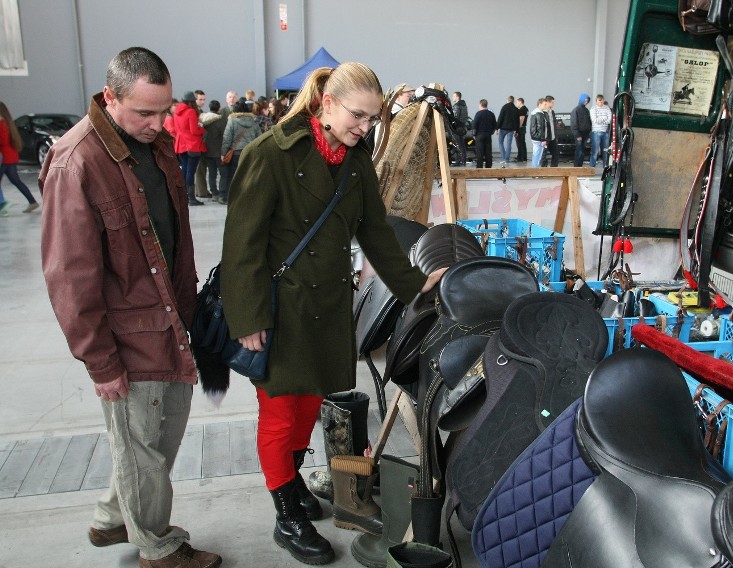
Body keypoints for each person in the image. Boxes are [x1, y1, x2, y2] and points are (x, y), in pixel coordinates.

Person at [219, 61, 447, 566]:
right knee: (280, 413)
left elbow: (376, 233)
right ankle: (286, 512)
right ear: (326, 103)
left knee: (308, 405)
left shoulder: (354, 159)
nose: (365, 128)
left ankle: (291, 482)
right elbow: (241, 247)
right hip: (278, 310)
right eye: (358, 116)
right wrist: (248, 318)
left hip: (325, 308)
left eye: (372, 119)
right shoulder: (269, 155)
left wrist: (416, 286)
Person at [39, 46, 222, 568]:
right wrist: (101, 362)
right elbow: (69, 277)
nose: (157, 122)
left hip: (169, 324)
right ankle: (159, 548)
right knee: (144, 448)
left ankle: (111, 518)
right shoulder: (78, 161)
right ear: (110, 96)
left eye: (164, 109)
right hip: (126, 337)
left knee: (154, 444)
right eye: (144, 112)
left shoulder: (159, 146)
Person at [218, 99, 261, 204]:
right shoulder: (254, 121)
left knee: (232, 175)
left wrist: (223, 153)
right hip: (251, 152)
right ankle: (247, 196)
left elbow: (227, 139)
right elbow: (259, 137)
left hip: (236, 153)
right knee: (249, 175)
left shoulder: (232, 121)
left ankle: (230, 197)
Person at [0, 101, 40, 215]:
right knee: (15, 180)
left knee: (15, 181)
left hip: (5, 158)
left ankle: (2, 205)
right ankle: (32, 201)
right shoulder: (8, 123)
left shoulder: (1, 124)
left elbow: (2, 140)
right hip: (11, 156)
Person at [173, 90, 206, 205]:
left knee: (185, 170)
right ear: (192, 101)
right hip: (192, 145)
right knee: (190, 172)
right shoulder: (191, 112)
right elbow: (194, 130)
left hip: (181, 144)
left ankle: (183, 196)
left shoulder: (177, 112)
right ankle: (191, 198)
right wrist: (202, 128)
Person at [199, 100, 226, 200]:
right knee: (223, 173)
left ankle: (214, 193)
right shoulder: (221, 121)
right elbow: (225, 136)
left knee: (211, 173)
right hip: (219, 151)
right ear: (218, 108)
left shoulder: (203, 120)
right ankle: (222, 193)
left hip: (207, 150)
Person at [472, 98, 497, 168]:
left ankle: (479, 166)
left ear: (480, 105)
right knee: (488, 152)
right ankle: (488, 166)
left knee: (480, 151)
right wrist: (491, 132)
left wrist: (474, 134)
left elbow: (474, 125)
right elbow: (495, 125)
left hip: (480, 135)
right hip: (488, 134)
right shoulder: (491, 114)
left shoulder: (478, 113)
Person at [590, 94, 612, 168]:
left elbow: (610, 119)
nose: (601, 103)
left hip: (605, 132)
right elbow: (595, 120)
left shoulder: (607, 108)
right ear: (596, 101)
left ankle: (605, 167)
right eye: (599, 101)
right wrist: (604, 118)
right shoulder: (593, 109)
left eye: (602, 101)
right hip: (596, 131)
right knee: (595, 151)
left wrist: (601, 119)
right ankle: (592, 167)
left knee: (605, 151)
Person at [496, 95, 519, 163]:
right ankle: (507, 159)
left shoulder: (504, 107)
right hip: (511, 129)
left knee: (500, 142)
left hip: (503, 128)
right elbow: (517, 121)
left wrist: (497, 128)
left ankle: (503, 158)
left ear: (507, 100)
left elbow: (500, 118)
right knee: (509, 144)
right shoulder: (515, 109)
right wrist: (516, 130)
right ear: (513, 101)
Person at [570, 93, 592, 167]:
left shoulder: (586, 110)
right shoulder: (576, 110)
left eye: (587, 101)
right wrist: (577, 135)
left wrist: (589, 132)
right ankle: (576, 167)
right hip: (579, 134)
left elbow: (589, 122)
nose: (586, 102)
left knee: (582, 152)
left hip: (586, 134)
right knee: (579, 151)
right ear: (581, 100)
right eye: (585, 100)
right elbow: (574, 124)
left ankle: (580, 166)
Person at [528, 98, 550, 167]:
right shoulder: (539, 114)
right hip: (539, 138)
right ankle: (535, 172)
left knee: (536, 155)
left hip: (535, 137)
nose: (546, 106)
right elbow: (541, 128)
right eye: (545, 104)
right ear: (540, 104)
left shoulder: (535, 113)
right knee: (538, 156)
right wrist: (543, 139)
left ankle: (535, 171)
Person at [451, 91, 469, 166]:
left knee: (457, 144)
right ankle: (463, 160)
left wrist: (451, 123)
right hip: (463, 127)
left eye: (454, 96)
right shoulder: (464, 105)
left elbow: (455, 117)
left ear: (457, 97)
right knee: (462, 145)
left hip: (457, 127)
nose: (452, 97)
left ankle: (458, 161)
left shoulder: (457, 106)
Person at [543, 95, 559, 167]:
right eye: (552, 102)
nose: (553, 104)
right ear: (548, 102)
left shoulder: (552, 112)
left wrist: (555, 136)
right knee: (544, 155)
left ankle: (554, 169)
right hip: (546, 137)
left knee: (556, 153)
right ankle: (543, 170)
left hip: (553, 137)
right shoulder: (543, 112)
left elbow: (554, 124)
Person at [515, 97, 529, 162]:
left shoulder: (522, 109)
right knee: (523, 143)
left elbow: (521, 119)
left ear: (520, 102)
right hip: (523, 128)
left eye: (517, 102)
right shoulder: (526, 109)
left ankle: (520, 158)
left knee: (519, 143)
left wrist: (517, 129)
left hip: (521, 128)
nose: (516, 103)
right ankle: (523, 157)